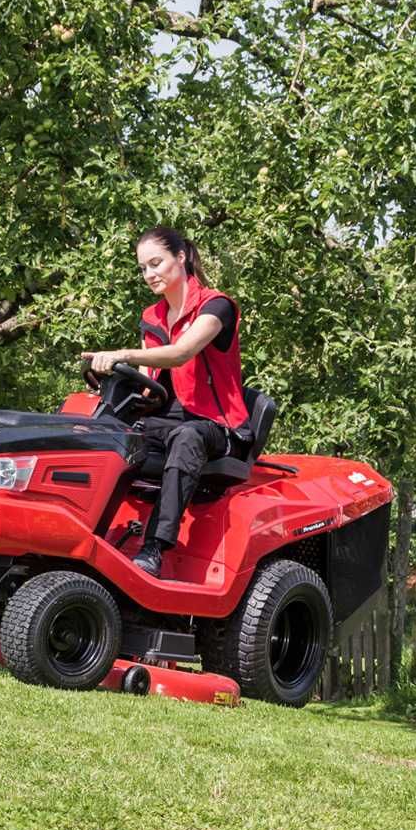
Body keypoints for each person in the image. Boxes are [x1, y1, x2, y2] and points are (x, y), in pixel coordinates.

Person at [81, 226, 251, 577]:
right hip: (168, 419)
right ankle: (85, 534)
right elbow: (147, 379)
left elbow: (180, 353)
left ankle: (154, 548)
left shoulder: (216, 307)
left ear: (181, 257)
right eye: (143, 268)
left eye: (156, 263)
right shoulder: (152, 317)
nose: (149, 274)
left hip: (217, 426)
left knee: (187, 437)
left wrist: (118, 353)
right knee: (110, 431)